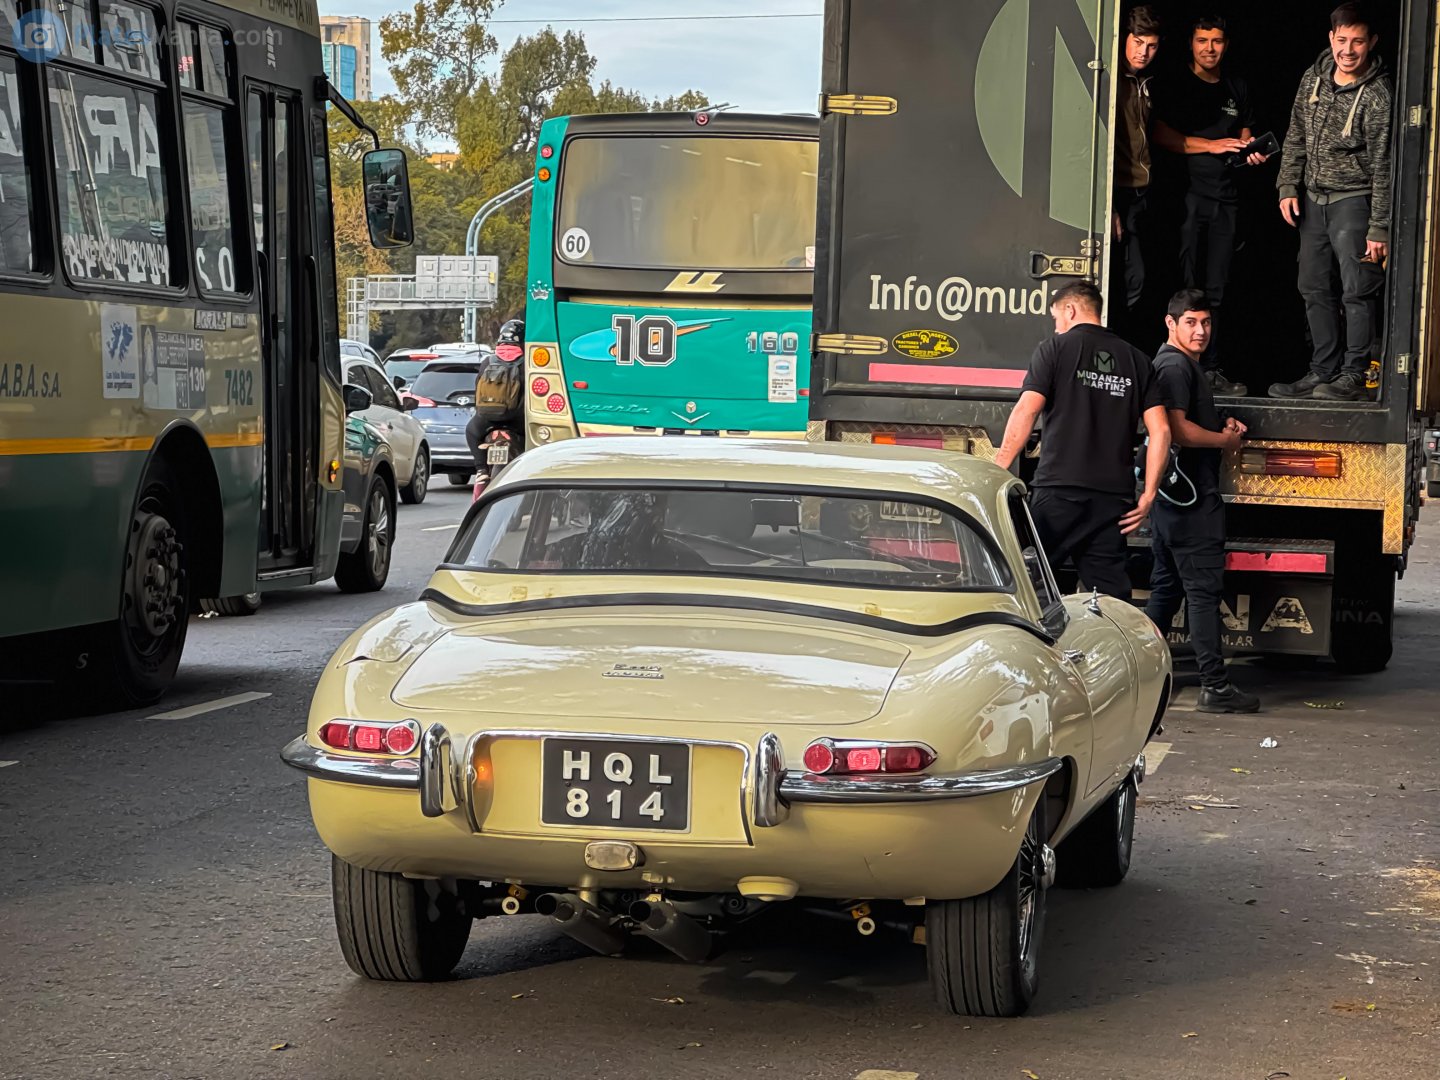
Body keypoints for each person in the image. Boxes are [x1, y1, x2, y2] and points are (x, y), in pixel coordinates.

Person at [995, 281, 1171, 601]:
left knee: (1029, 589)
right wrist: (1147, 495)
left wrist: (999, 467)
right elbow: (1161, 431)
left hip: (1060, 492)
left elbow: (1026, 410)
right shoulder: (1137, 360)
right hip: (1112, 502)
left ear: (1070, 310)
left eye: (1056, 317)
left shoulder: (1054, 349)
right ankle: (1111, 650)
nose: (1057, 326)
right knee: (1109, 600)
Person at [1269, 3, 1392, 403]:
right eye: (1342, 40)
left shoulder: (1377, 95)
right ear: (1331, 39)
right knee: (1312, 286)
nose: (1349, 50)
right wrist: (1288, 185)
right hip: (1312, 200)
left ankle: (1353, 374)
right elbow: (1296, 133)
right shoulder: (1314, 78)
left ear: (1371, 42)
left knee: (1356, 290)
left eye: (1358, 41)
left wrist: (1379, 226)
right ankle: (1322, 371)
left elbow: (1384, 165)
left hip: (1353, 201)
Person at [1146, 289, 1260, 713]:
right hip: (1190, 505)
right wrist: (1224, 440)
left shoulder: (1181, 365)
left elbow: (1190, 422)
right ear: (1170, 323)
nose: (1200, 331)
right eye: (1191, 322)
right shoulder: (1175, 366)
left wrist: (1218, 424)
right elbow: (1175, 430)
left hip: (1173, 504)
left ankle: (1142, 675)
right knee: (1202, 593)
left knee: (1167, 589)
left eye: (1206, 323)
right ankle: (1215, 686)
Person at [1154, 15, 1271, 398]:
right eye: (1203, 40)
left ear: (1226, 44)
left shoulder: (1237, 86)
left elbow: (1244, 132)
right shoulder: (1176, 82)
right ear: (1191, 42)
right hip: (1186, 199)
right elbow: (1161, 134)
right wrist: (1211, 145)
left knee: (1218, 289)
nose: (1209, 48)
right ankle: (1178, 365)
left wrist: (1250, 149)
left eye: (1217, 41)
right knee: (1186, 285)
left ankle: (1212, 369)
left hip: (1227, 200)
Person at [1111, 5, 1163, 340]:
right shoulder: (1111, 79)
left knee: (1140, 278)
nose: (1144, 52)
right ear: (1124, 38)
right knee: (1127, 277)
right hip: (1117, 191)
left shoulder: (1149, 81)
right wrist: (1109, 205)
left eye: (1152, 45)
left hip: (1143, 191)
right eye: (1138, 42)